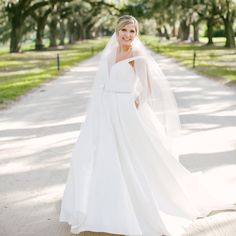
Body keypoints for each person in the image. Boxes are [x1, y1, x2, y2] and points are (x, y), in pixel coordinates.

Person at [59, 15, 236, 236]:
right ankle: (103, 204)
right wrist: (96, 113)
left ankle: (138, 204)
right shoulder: (109, 54)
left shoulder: (137, 55)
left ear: (136, 34)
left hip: (125, 110)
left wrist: (135, 102)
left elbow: (147, 89)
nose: (127, 35)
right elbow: (101, 86)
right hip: (105, 110)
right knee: (101, 155)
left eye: (132, 31)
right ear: (117, 31)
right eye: (124, 30)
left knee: (132, 156)